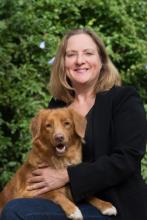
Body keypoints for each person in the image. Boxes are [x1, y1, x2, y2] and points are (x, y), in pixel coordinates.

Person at [0, 28, 147, 220]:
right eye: (71, 54)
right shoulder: (57, 105)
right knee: (13, 205)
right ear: (63, 63)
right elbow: (45, 155)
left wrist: (68, 175)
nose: (79, 60)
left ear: (101, 60)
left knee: (16, 211)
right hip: (69, 201)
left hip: (116, 205)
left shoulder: (124, 99)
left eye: (88, 53)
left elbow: (127, 160)